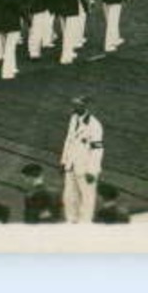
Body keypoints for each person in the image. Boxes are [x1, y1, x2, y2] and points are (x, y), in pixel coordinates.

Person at [58, 96, 104, 224]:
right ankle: (71, 220)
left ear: (85, 106)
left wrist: (92, 170)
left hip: (86, 168)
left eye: (77, 105)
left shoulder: (94, 125)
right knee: (69, 197)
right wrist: (63, 161)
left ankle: (85, 224)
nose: (74, 107)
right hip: (71, 165)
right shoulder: (73, 119)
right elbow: (68, 141)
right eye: (73, 105)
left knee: (87, 198)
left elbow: (97, 150)